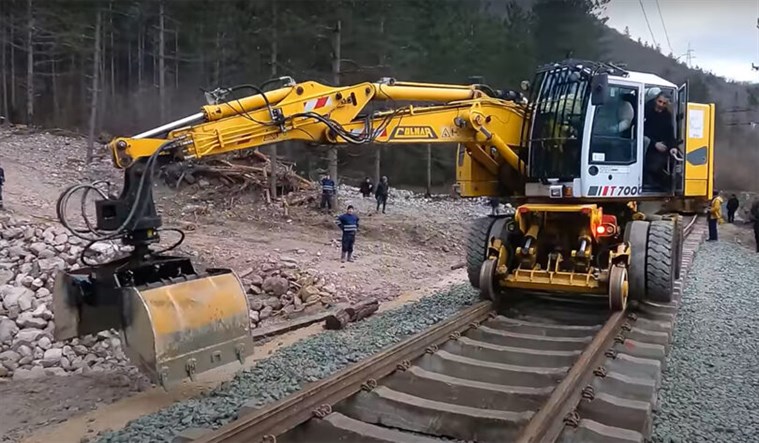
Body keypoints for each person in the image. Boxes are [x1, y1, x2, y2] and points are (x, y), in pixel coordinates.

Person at [643, 91, 677, 190]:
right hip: (645, 143)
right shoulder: (645, 110)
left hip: (660, 146)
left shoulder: (667, 116)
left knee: (661, 163)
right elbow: (641, 130)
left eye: (664, 103)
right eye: (659, 101)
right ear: (655, 100)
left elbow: (670, 134)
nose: (661, 105)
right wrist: (654, 144)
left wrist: (673, 147)